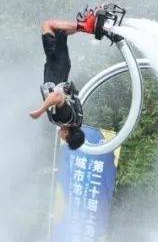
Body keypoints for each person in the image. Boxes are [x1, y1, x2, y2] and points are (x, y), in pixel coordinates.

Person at [29, 11, 106, 151]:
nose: (62, 138)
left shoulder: (75, 122)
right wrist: (40, 111)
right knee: (49, 25)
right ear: (66, 134)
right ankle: (87, 26)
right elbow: (57, 97)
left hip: (58, 67)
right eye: (64, 139)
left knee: (59, 32)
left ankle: (87, 25)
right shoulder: (65, 118)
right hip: (57, 68)